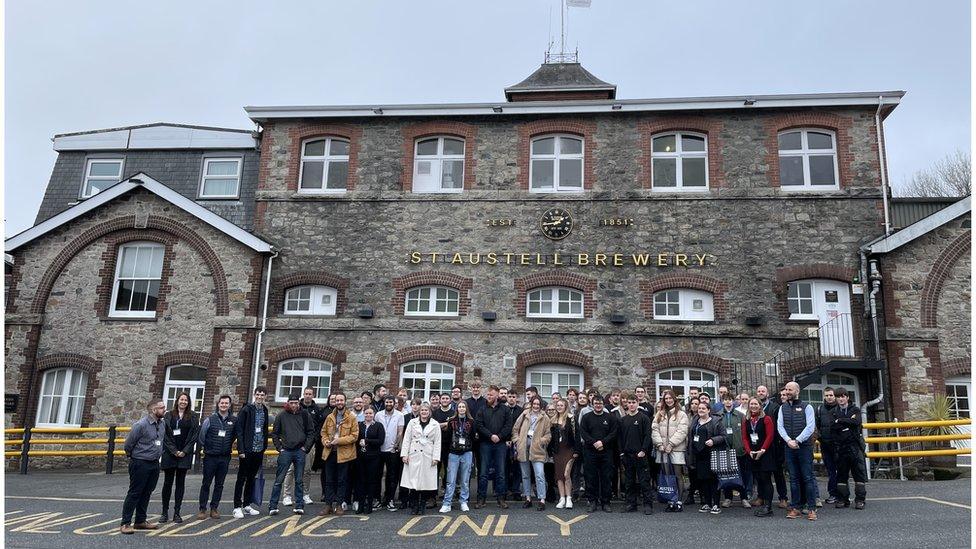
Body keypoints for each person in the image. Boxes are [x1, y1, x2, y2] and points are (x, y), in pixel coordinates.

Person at [120, 398, 166, 534]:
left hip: (154, 463)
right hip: (140, 463)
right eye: (161, 407)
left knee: (147, 492)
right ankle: (125, 523)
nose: (164, 409)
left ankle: (140, 520)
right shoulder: (140, 425)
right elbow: (128, 445)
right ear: (153, 410)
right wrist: (134, 458)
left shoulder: (162, 424)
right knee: (135, 492)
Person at [268, 393, 315, 516]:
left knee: (299, 480)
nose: (294, 405)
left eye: (296, 403)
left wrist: (306, 448)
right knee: (279, 479)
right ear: (288, 403)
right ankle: (273, 506)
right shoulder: (281, 415)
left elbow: (311, 432)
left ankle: (299, 505)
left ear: (299, 403)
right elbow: (275, 433)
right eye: (292, 403)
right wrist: (279, 448)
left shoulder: (305, 414)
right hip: (286, 451)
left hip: (300, 450)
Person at [777, 381, 818, 520]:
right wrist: (788, 440)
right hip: (789, 447)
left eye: (790, 389)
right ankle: (795, 507)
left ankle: (812, 508)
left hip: (804, 447)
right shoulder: (782, 408)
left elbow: (810, 427)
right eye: (786, 389)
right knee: (793, 478)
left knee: (807, 478)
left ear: (797, 391)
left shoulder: (807, 407)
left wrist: (798, 440)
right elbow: (780, 427)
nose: (787, 392)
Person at [159, 392, 199, 524]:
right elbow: (165, 435)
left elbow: (194, 435)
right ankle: (164, 512)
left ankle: (177, 512)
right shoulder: (168, 415)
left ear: (188, 402)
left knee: (180, 484)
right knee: (167, 483)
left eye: (186, 400)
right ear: (177, 401)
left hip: (184, 455)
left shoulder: (193, 416)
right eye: (181, 399)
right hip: (170, 454)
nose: (183, 402)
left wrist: (184, 451)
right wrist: (174, 450)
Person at [232, 386, 270, 519]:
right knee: (241, 478)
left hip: (258, 450)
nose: (260, 397)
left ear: (265, 396)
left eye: (262, 395)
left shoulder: (265, 410)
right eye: (258, 394)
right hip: (247, 450)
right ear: (254, 395)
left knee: (251, 479)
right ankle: (237, 506)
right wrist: (241, 449)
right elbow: (239, 430)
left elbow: (264, 430)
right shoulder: (246, 410)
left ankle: (247, 504)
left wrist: (264, 446)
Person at [319, 392, 359, 516]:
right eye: (337, 400)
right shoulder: (330, 416)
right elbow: (323, 432)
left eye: (342, 400)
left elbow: (354, 435)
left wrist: (339, 441)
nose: (340, 402)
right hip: (330, 452)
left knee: (342, 480)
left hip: (344, 454)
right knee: (329, 480)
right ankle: (328, 505)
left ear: (345, 401)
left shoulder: (351, 417)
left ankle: (339, 505)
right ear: (335, 402)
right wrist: (325, 441)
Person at [197, 395, 236, 520]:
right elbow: (202, 436)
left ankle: (214, 508)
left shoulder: (233, 421)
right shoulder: (210, 419)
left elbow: (234, 436)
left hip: (224, 457)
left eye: (226, 403)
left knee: (219, 484)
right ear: (218, 404)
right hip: (210, 457)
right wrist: (209, 448)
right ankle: (202, 509)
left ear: (229, 405)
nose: (224, 405)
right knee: (206, 483)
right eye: (222, 403)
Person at [474, 385, 512, 509]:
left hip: (500, 444)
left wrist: (499, 436)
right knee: (483, 472)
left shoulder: (505, 410)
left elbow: (508, 425)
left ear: (496, 396)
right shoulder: (482, 409)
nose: (488, 397)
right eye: (488, 395)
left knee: (500, 472)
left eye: (491, 395)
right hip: (485, 444)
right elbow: (479, 425)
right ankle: (481, 499)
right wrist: (491, 436)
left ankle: (501, 499)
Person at [284, 387, 323, 507]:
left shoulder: (316, 410)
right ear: (303, 394)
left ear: (313, 395)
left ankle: (305, 494)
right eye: (306, 393)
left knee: (306, 471)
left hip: (309, 445)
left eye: (310, 394)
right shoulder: (296, 408)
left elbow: (316, 429)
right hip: (293, 445)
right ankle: (287, 495)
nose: (308, 396)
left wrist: (311, 442)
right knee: (291, 470)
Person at [401, 402, 442, 515]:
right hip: (414, 454)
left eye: (426, 410)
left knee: (425, 482)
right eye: (422, 410)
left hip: (428, 454)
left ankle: (422, 505)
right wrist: (404, 454)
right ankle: (414, 505)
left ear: (429, 412)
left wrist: (436, 457)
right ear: (419, 412)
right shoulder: (412, 422)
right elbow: (407, 439)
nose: (424, 412)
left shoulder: (435, 424)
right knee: (413, 481)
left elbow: (438, 442)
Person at [511, 396, 552, 511]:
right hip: (523, 449)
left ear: (541, 406)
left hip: (537, 450)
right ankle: (528, 498)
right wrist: (517, 441)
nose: (536, 406)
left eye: (538, 404)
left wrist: (541, 441)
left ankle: (542, 499)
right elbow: (515, 429)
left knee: (539, 475)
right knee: (525, 475)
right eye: (534, 404)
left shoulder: (545, 417)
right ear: (531, 404)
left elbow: (548, 435)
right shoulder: (524, 414)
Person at [579, 395, 618, 512]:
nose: (598, 405)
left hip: (606, 452)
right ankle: (592, 501)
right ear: (592, 404)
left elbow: (613, 433)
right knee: (591, 477)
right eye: (596, 403)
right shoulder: (586, 417)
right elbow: (583, 433)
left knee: (606, 477)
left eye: (600, 403)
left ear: (603, 404)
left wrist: (602, 442)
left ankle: (606, 502)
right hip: (590, 451)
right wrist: (594, 443)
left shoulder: (610, 417)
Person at [830, 388, 867, 509]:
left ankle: (860, 499)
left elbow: (856, 422)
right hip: (841, 448)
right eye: (838, 397)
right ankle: (842, 499)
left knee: (859, 474)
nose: (841, 399)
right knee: (841, 475)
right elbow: (833, 427)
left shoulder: (855, 409)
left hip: (855, 447)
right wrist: (847, 422)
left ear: (847, 397)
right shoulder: (833, 411)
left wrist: (840, 420)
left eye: (843, 396)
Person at [618, 393, 654, 514]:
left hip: (641, 455)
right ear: (626, 404)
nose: (632, 405)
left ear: (638, 403)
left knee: (644, 481)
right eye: (629, 403)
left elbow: (647, 436)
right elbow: (620, 438)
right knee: (629, 482)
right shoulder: (623, 420)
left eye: (634, 402)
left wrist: (643, 450)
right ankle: (631, 504)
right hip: (627, 455)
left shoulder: (644, 418)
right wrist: (622, 453)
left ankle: (648, 505)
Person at [688, 401, 726, 515]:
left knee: (713, 480)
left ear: (709, 410)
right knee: (703, 480)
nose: (701, 410)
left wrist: (713, 440)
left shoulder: (716, 421)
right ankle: (707, 503)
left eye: (703, 408)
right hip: (699, 456)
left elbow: (724, 436)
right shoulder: (695, 421)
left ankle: (716, 504)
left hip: (712, 454)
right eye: (699, 408)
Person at [742, 396, 776, 517]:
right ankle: (762, 503)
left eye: (756, 404)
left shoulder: (766, 419)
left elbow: (770, 436)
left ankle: (768, 507)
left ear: (760, 406)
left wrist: (763, 449)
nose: (753, 406)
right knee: (758, 480)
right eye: (751, 404)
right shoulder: (746, 420)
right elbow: (745, 437)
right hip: (752, 454)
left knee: (766, 480)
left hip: (765, 453)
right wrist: (749, 450)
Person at [756, 384, 789, 509]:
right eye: (759, 391)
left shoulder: (775, 407)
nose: (761, 393)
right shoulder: (755, 408)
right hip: (759, 445)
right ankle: (761, 496)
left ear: (767, 393)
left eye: (763, 391)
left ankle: (783, 498)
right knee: (761, 474)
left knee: (778, 473)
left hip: (775, 446)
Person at [441, 400, 475, 513]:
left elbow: (474, 437)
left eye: (463, 407)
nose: (461, 408)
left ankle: (463, 501)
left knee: (465, 480)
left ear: (466, 409)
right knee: (451, 480)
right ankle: (447, 503)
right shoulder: (451, 421)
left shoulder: (471, 421)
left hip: (467, 453)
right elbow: (447, 437)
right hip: (453, 453)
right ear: (457, 409)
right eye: (459, 407)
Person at [718, 393, 750, 508]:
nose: (728, 402)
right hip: (724, 449)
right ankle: (728, 498)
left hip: (739, 449)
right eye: (726, 400)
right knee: (727, 475)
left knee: (742, 474)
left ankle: (744, 497)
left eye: (730, 400)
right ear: (722, 401)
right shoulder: (718, 415)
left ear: (733, 402)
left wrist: (744, 446)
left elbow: (745, 433)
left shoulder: (740, 415)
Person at [376, 396, 405, 511]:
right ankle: (377, 499)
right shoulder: (378, 415)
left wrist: (396, 445)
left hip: (392, 450)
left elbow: (400, 432)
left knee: (392, 476)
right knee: (377, 476)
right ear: (384, 403)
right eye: (387, 402)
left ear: (394, 403)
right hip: (379, 450)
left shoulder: (400, 415)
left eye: (391, 402)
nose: (388, 403)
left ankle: (390, 499)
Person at [355, 406, 385, 514]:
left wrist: (367, 441)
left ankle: (370, 505)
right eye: (366, 413)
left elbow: (380, 441)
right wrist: (359, 442)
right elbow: (355, 438)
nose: (368, 415)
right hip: (361, 457)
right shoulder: (359, 425)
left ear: (374, 414)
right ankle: (361, 505)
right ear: (364, 414)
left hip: (374, 457)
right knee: (361, 481)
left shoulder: (378, 426)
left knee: (371, 481)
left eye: (370, 413)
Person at [550, 398, 579, 509]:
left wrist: (577, 450)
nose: (559, 407)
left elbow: (577, 435)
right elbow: (551, 438)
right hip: (557, 450)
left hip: (569, 449)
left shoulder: (571, 419)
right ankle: (562, 498)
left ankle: (569, 498)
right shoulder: (553, 420)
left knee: (567, 474)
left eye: (561, 405)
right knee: (559, 475)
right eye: (558, 405)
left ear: (566, 406)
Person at [816, 387, 840, 505]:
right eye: (826, 395)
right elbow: (817, 426)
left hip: (838, 445)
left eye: (831, 395)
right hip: (825, 444)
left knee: (841, 470)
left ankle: (842, 494)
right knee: (831, 471)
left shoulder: (840, 408)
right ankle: (833, 494)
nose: (829, 397)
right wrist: (820, 438)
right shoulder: (820, 409)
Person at [432, 393, 456, 493]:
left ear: (450, 400)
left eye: (447, 398)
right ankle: (433, 493)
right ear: (440, 400)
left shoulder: (454, 413)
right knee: (435, 469)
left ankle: (446, 491)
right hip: (437, 445)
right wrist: (446, 424)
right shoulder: (435, 413)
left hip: (449, 445)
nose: (445, 400)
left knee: (448, 469)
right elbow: (433, 426)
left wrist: (440, 425)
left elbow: (454, 426)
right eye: (443, 398)